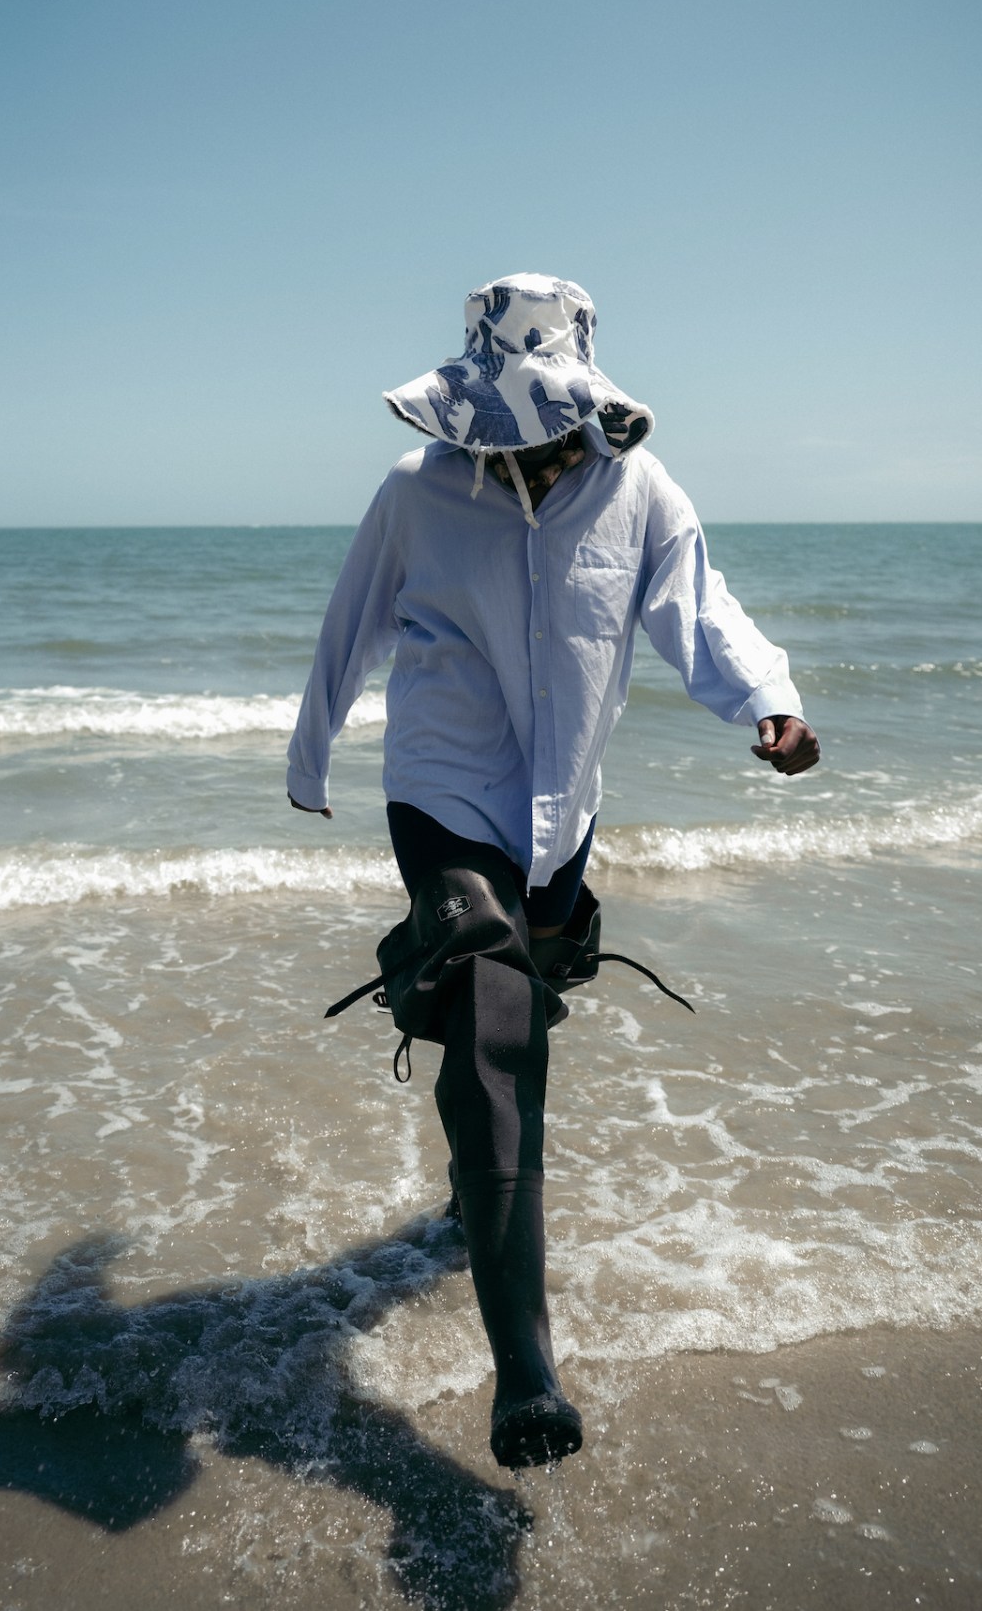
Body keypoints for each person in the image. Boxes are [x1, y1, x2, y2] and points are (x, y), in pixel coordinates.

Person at [286, 275, 819, 1471]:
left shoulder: (639, 490)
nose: (533, 444)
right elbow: (352, 619)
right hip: (443, 785)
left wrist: (771, 700)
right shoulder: (417, 495)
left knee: (514, 1029)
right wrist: (309, 750)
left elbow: (699, 608)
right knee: (485, 978)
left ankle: (473, 1188)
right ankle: (525, 1372)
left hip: (559, 818)